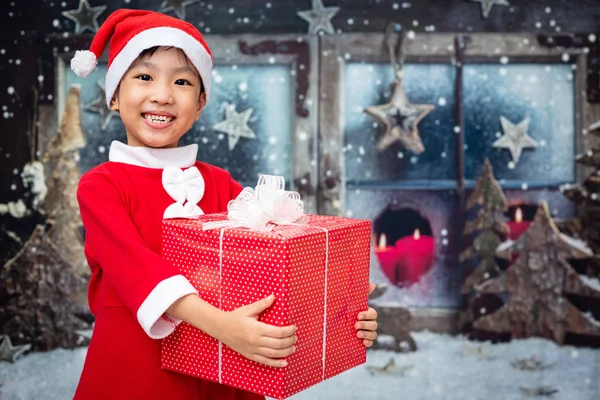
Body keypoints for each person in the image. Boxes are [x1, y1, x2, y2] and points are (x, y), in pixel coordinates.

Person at [71, 8, 378, 400]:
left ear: (200, 104)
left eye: (181, 81)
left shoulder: (221, 185)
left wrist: (339, 303)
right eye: (144, 76)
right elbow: (135, 269)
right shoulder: (101, 186)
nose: (162, 95)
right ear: (114, 95)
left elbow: (275, 255)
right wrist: (223, 326)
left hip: (225, 369)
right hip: (136, 368)